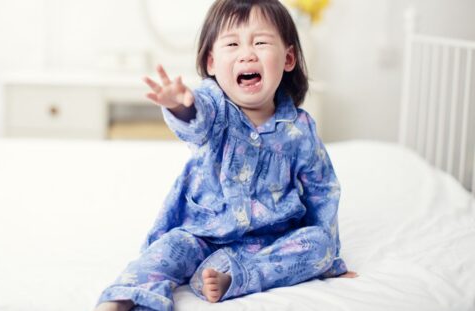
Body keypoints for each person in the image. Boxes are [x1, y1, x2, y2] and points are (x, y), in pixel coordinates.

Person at [95, 0, 356, 310]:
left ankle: (235, 278)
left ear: (288, 58)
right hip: (201, 233)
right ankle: (121, 298)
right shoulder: (213, 105)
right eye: (232, 43)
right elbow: (197, 119)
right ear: (211, 63)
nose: (247, 53)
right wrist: (181, 105)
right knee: (164, 252)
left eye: (260, 42)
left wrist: (328, 255)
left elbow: (322, 189)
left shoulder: (299, 129)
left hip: (267, 243)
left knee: (319, 245)